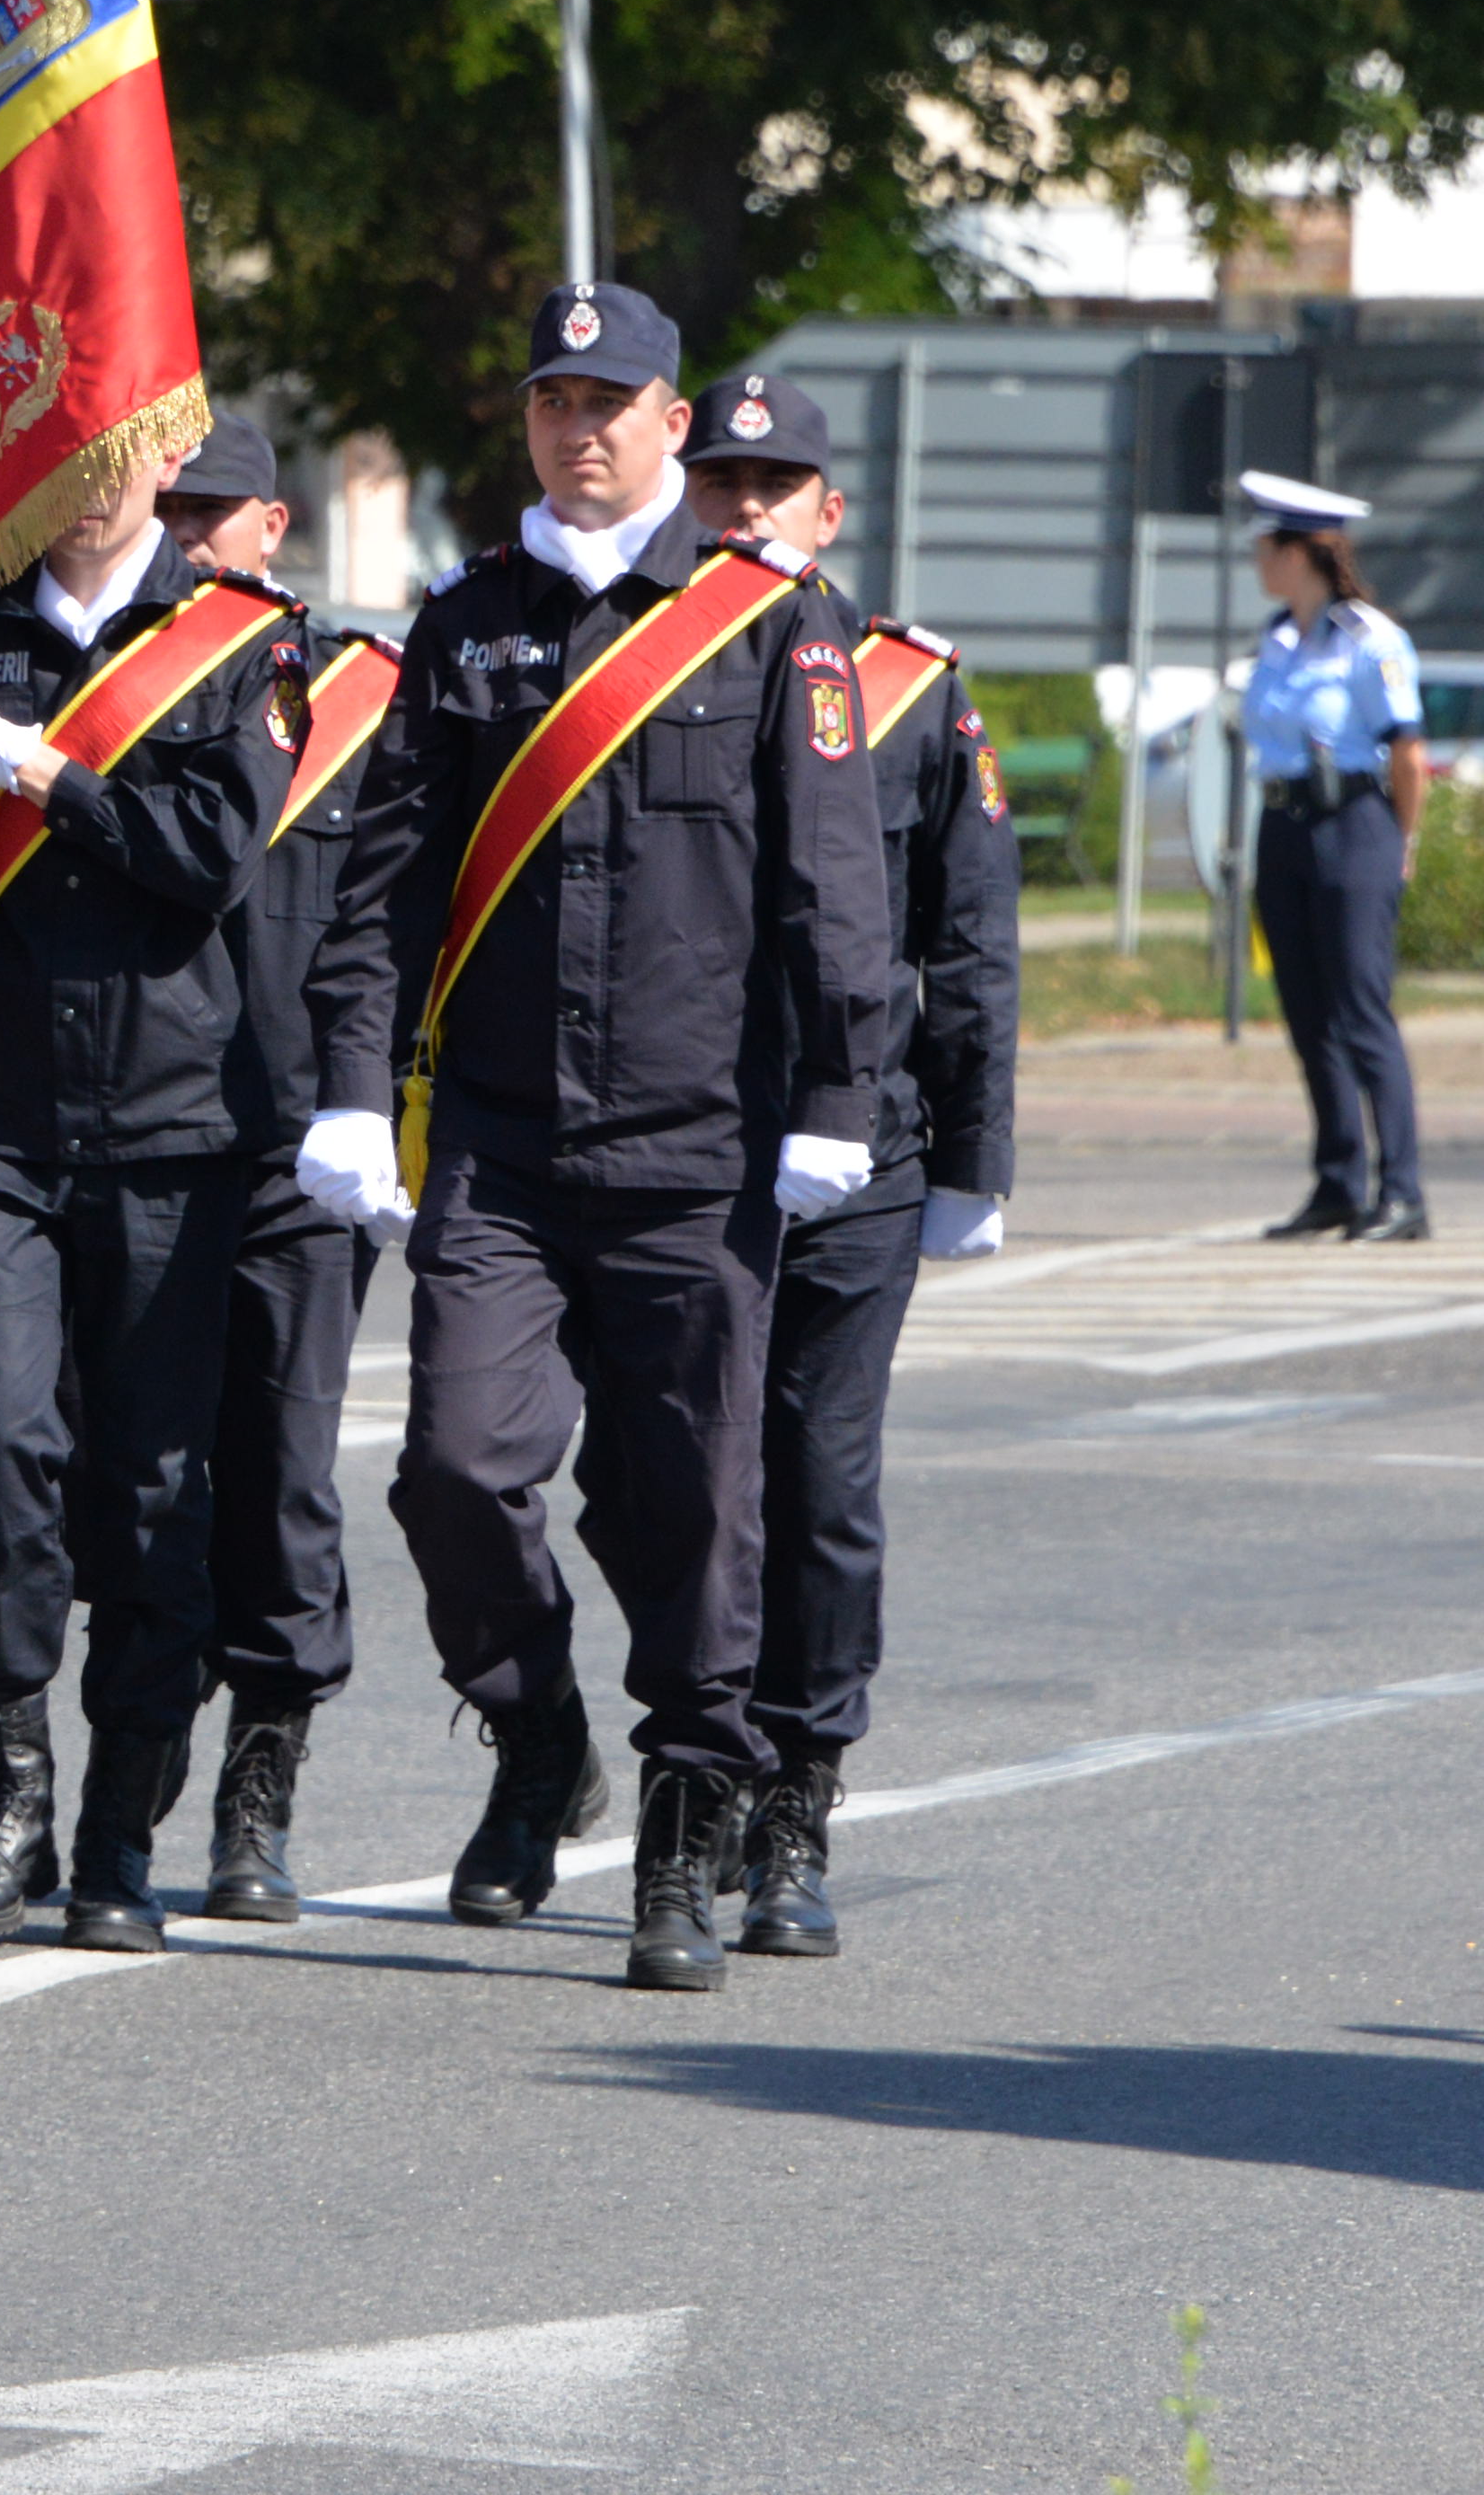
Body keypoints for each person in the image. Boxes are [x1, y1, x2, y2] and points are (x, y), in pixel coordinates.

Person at [296, 282, 890, 1995]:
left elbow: (828, 890)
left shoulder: (767, 626)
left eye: (610, 401)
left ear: (671, 424)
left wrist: (839, 1104)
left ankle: (685, 1839)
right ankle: (539, 1725)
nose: (578, 429)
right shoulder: (467, 622)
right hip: (502, 1140)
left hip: (704, 1145)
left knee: (697, 1506)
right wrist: (353, 1086)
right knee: (455, 1472)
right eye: (553, 399)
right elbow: (387, 880)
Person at [0, 426, 301, 1956]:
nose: (93, 472)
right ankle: (12, 1791)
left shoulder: (238, 646)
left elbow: (213, 853)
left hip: (177, 1131)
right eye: (69, 441)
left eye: (124, 444)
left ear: (164, 446)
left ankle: (121, 1830)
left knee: (156, 1495)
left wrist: (41, 768)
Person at [677, 371, 1018, 1959]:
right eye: (723, 480)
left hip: (860, 1151)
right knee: (682, 1479)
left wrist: (975, 1154)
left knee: (818, 1475)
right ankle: (690, 1756)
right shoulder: (636, 670)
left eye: (775, 484)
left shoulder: (907, 687)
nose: (744, 506)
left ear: (831, 512)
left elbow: (969, 943)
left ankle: (795, 1791)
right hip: (680, 1141)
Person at [154, 419, 399, 1921]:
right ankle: (135, 1752)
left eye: (209, 513)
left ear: (272, 524)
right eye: (161, 513)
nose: (185, 538)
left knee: (281, 1467)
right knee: (131, 1469)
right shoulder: (101, 690)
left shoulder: (358, 692)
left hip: (299, 1142)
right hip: (132, 1132)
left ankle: (263, 1776)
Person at [1232, 470, 1429, 1244]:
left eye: (1266, 547)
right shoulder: (1279, 641)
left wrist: (1402, 844)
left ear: (1301, 553)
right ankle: (1339, 1182)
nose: (1257, 561)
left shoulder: (1370, 640)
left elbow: (1408, 753)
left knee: (1360, 1013)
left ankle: (1404, 1191)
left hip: (1354, 826)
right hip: (1284, 828)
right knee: (1308, 1015)